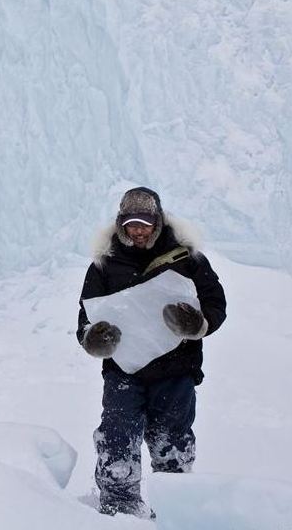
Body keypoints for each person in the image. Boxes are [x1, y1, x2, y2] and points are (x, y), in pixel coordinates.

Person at [77, 187, 227, 518]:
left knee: (172, 445)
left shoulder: (187, 258)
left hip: (175, 371)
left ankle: (173, 515)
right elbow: (85, 319)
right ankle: (119, 513)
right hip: (123, 374)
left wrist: (199, 324)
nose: (138, 230)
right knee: (117, 440)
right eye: (131, 224)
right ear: (120, 223)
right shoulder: (104, 265)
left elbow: (216, 302)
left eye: (144, 223)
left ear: (157, 221)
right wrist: (95, 339)